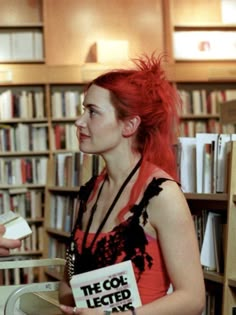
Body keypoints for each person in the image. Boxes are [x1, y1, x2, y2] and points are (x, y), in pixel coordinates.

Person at [59, 54, 205, 315]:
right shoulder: (90, 191)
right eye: (83, 110)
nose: (79, 122)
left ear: (129, 125)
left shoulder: (162, 195)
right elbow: (70, 277)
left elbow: (193, 299)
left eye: (92, 112)